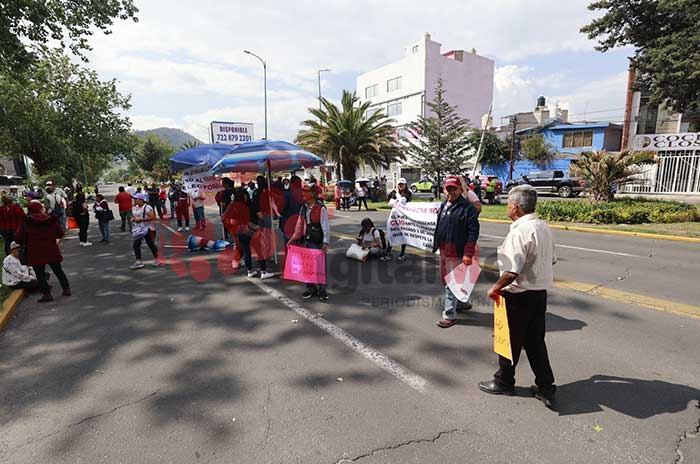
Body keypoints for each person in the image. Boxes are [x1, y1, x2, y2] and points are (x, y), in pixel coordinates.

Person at [479, 185, 557, 408]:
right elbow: (551, 259)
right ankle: (546, 387)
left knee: (508, 342)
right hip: (538, 295)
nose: (506, 206)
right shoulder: (543, 227)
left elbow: (512, 271)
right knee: (535, 343)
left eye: (507, 203)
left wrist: (494, 288)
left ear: (515, 207)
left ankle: (504, 381)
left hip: (518, 297)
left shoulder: (519, 232)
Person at [432, 176, 480, 328]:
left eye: (454, 188)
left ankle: (449, 314)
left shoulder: (468, 208)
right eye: (448, 189)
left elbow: (473, 232)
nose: (451, 192)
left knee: (451, 283)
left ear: (460, 189)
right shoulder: (444, 204)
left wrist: (468, 253)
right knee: (451, 280)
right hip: (444, 250)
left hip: (457, 251)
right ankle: (461, 303)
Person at [16, 201, 71, 302]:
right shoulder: (51, 220)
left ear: (29, 210)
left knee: (40, 274)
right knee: (58, 270)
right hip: (51, 249)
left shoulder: (26, 222)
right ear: (40, 209)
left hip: (35, 252)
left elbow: (18, 238)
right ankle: (66, 289)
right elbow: (59, 234)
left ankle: (47, 294)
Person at [288, 183, 330, 300]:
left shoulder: (321, 208)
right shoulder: (303, 208)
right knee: (307, 268)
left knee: (319, 267)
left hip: (317, 241)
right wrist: (293, 239)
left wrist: (325, 242)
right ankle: (311, 288)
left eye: (306, 191)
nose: (303, 194)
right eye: (303, 191)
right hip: (307, 241)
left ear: (312, 193)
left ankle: (322, 290)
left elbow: (325, 226)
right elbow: (299, 225)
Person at [249, 176, 274, 280]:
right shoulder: (258, 193)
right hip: (264, 216)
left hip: (263, 215)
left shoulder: (262, 192)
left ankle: (268, 254)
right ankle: (267, 254)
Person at [130, 193, 160, 269]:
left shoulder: (147, 207)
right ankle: (139, 262)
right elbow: (133, 216)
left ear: (141, 200)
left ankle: (157, 259)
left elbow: (153, 217)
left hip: (148, 229)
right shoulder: (134, 207)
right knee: (136, 245)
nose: (134, 200)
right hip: (138, 229)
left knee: (150, 244)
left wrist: (141, 219)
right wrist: (133, 219)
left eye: (136, 199)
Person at [384, 177, 411, 261]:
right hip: (394, 217)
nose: (401, 186)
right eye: (399, 184)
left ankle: (402, 253)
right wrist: (395, 200)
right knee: (392, 233)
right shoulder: (394, 192)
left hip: (403, 217)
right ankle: (388, 252)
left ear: (405, 185)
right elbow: (389, 203)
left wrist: (396, 197)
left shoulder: (408, 193)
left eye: (402, 184)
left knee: (403, 235)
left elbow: (403, 201)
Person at [280, 176, 303, 242]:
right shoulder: (304, 193)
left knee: (289, 245)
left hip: (288, 221)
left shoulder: (286, 194)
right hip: (301, 222)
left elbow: (282, 209)